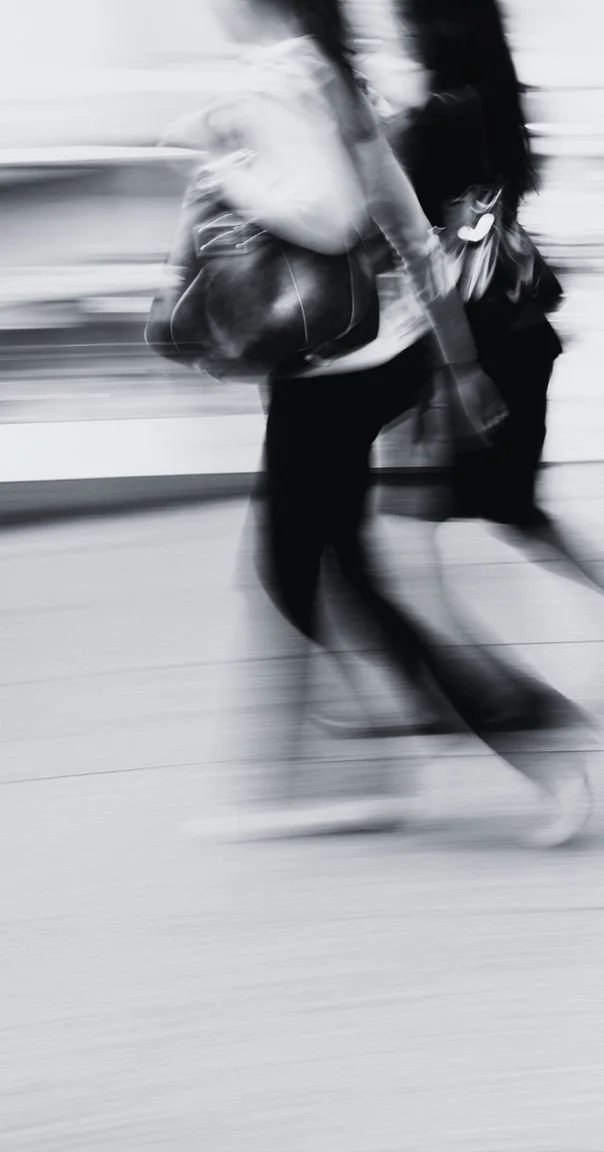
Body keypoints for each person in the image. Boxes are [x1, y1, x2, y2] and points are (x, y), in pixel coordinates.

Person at [169, 0, 591, 846]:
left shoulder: (277, 78)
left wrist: (221, 163)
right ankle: (393, 769)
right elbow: (405, 224)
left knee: (300, 570)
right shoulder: (328, 69)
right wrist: (457, 362)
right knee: (334, 566)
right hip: (376, 357)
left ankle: (527, 732)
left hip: (329, 371)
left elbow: (331, 219)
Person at [393, 0, 604, 590]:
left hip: (481, 348)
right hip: (518, 336)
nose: (403, 32)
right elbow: (478, 235)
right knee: (502, 511)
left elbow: (435, 253)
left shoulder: (440, 120)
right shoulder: (497, 113)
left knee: (463, 512)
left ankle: (440, 668)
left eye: (411, 20)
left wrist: (458, 370)